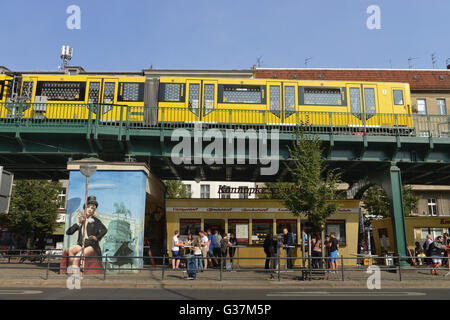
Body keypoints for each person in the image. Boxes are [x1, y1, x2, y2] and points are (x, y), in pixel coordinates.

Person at [66, 196, 108, 271]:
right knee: (70, 250)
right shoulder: (81, 220)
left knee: (78, 257)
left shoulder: (96, 221)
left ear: (94, 211)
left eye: (92, 208)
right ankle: (73, 269)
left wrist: (97, 237)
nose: (90, 209)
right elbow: (68, 232)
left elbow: (104, 230)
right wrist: (78, 223)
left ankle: (76, 276)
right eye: (88, 207)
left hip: (91, 245)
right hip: (81, 244)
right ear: (84, 208)